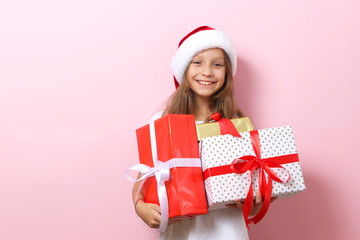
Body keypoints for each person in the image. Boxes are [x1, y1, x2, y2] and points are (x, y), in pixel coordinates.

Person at [132, 26, 266, 240]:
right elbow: (142, 184)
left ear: (227, 73)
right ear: (184, 69)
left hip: (229, 234)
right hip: (182, 234)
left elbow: (251, 201)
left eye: (217, 64)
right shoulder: (162, 122)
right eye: (197, 62)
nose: (207, 72)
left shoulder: (236, 124)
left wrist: (254, 203)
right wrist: (141, 208)